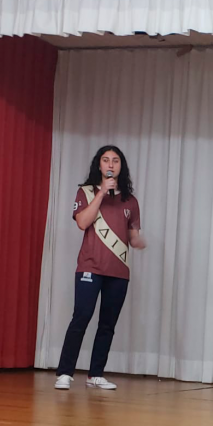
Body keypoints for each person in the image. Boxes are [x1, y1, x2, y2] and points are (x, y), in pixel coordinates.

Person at [55, 145, 146, 390]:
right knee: (81, 317)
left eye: (115, 160)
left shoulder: (130, 201)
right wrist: (101, 193)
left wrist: (138, 241)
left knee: (107, 324)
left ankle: (95, 374)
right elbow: (82, 222)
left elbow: (133, 235)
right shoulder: (85, 192)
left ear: (121, 166)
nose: (110, 164)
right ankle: (65, 373)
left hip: (119, 271)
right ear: (99, 165)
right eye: (106, 160)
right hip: (90, 267)